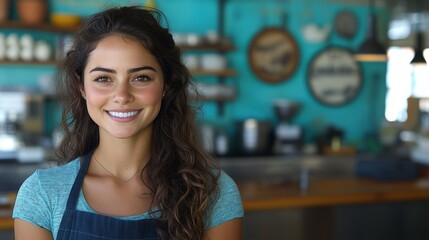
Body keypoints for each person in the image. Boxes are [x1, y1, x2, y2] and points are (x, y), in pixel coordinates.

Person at [13, 6, 243, 240]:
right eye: (103, 78)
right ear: (82, 86)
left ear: (166, 85)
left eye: (141, 77)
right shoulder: (42, 194)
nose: (122, 95)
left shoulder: (214, 192)